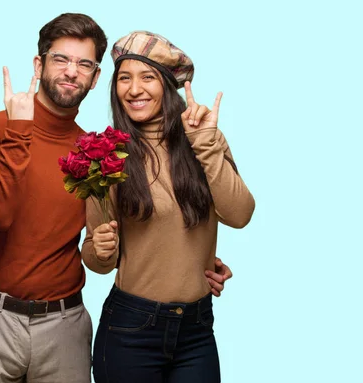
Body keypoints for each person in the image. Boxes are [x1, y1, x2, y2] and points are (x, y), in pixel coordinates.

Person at [0, 14, 232, 383]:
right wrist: (20, 129)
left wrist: (189, 259)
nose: (72, 72)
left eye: (84, 64)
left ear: (96, 77)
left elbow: (120, 231)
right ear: (39, 64)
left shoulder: (96, 151)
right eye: (60, 59)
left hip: (65, 324)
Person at [81, 31, 255, 383]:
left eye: (147, 77)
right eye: (124, 79)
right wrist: (98, 250)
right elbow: (98, 260)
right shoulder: (107, 153)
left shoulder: (204, 139)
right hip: (131, 328)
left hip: (197, 329)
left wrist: (204, 141)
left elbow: (239, 215)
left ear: (168, 85)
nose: (134, 89)